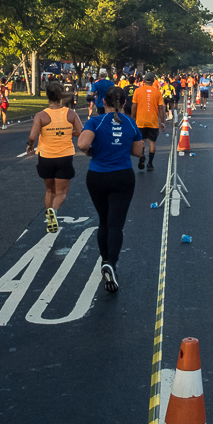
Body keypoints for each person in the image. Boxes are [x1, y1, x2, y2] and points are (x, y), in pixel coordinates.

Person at [78, 85, 142, 293]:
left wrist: (93, 152)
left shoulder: (95, 121)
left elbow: (82, 145)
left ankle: (104, 259)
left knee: (103, 220)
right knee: (116, 223)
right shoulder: (131, 124)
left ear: (103, 102)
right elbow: (137, 152)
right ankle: (111, 263)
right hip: (122, 176)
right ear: (124, 103)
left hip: (97, 176)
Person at [26, 81, 83, 233]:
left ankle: (49, 216)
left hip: (45, 157)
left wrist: (30, 145)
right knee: (62, 193)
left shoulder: (41, 115)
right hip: (64, 157)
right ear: (61, 96)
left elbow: (32, 136)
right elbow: (81, 132)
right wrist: (68, 132)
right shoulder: (71, 114)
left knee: (49, 190)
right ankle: (54, 211)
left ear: (47, 96)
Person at [133, 72, 166, 172]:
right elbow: (161, 108)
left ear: (143, 81)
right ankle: (150, 163)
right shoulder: (157, 92)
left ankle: (141, 156)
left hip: (140, 121)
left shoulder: (138, 91)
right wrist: (162, 122)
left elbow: (134, 106)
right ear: (153, 81)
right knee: (152, 143)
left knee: (142, 141)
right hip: (153, 122)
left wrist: (133, 118)